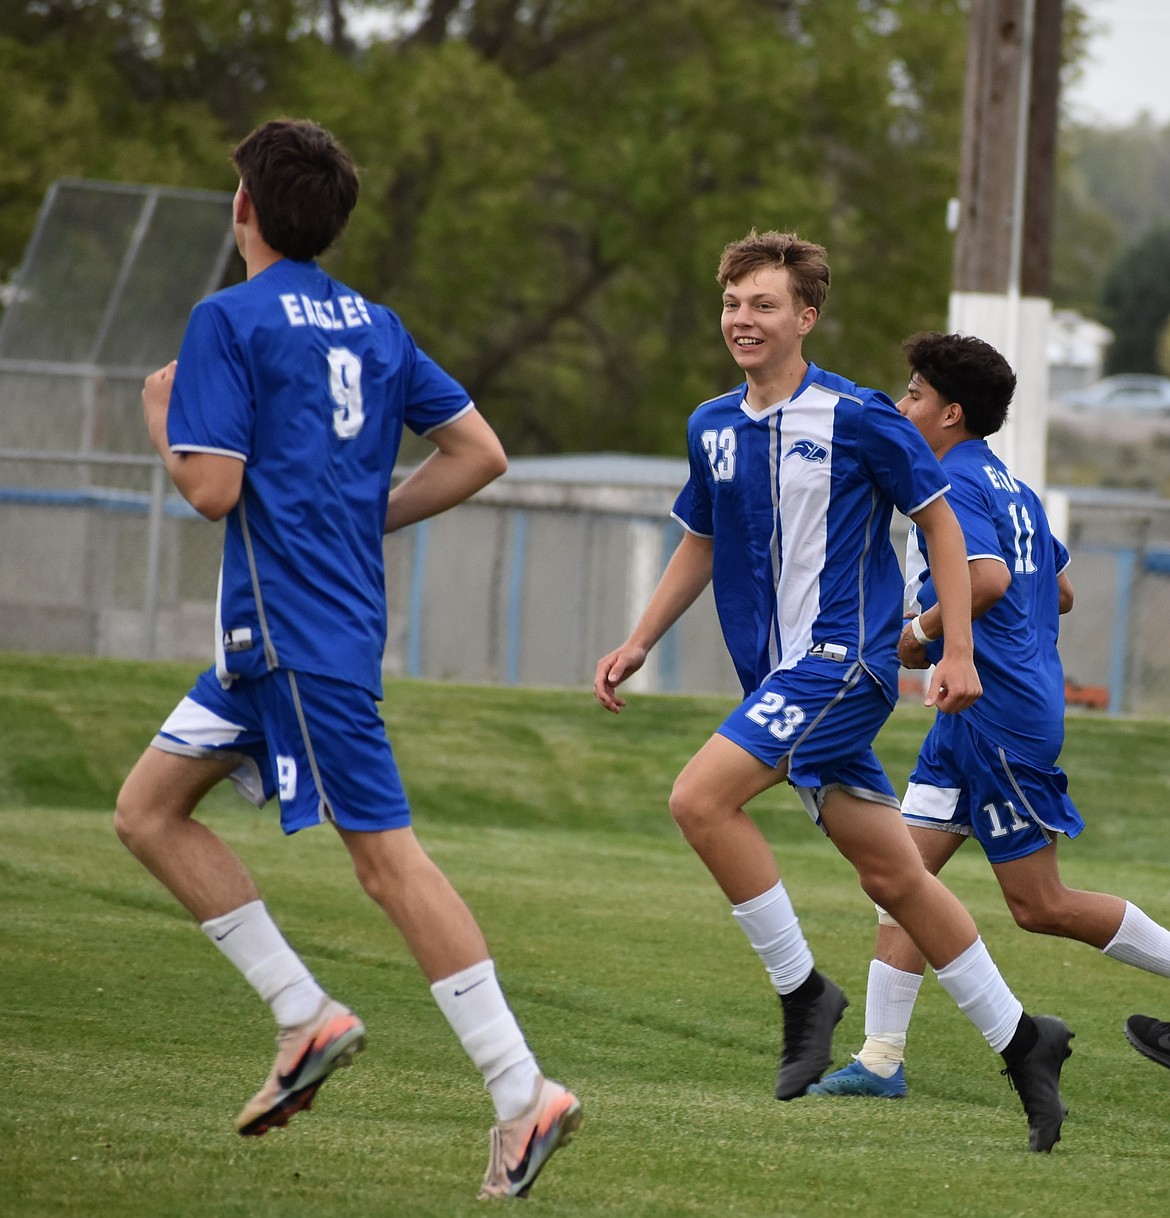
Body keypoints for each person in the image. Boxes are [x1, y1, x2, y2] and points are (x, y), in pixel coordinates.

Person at [114, 118, 580, 1201]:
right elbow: (481, 453)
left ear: (245, 210)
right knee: (146, 811)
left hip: (297, 639)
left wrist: (158, 411)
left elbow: (210, 490)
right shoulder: (374, 323)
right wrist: (364, 517)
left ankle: (523, 1093)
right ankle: (302, 1014)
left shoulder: (228, 319)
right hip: (278, 643)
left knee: (389, 862)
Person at [593, 231, 1073, 1152]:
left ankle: (804, 992)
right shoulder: (712, 426)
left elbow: (938, 525)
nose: (744, 319)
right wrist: (640, 638)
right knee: (895, 875)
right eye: (734, 303)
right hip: (780, 676)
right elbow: (700, 537)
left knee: (699, 800)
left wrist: (956, 652)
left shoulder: (859, 416)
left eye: (764, 304)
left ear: (805, 318)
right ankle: (1024, 1041)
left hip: (842, 662)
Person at [804, 331, 1170, 1099]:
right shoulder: (1011, 484)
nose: (903, 403)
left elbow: (991, 578)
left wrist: (920, 634)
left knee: (1040, 906)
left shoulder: (955, 482)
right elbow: (1058, 589)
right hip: (973, 719)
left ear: (951, 413)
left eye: (914, 394)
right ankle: (878, 1060)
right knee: (901, 879)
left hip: (999, 717)